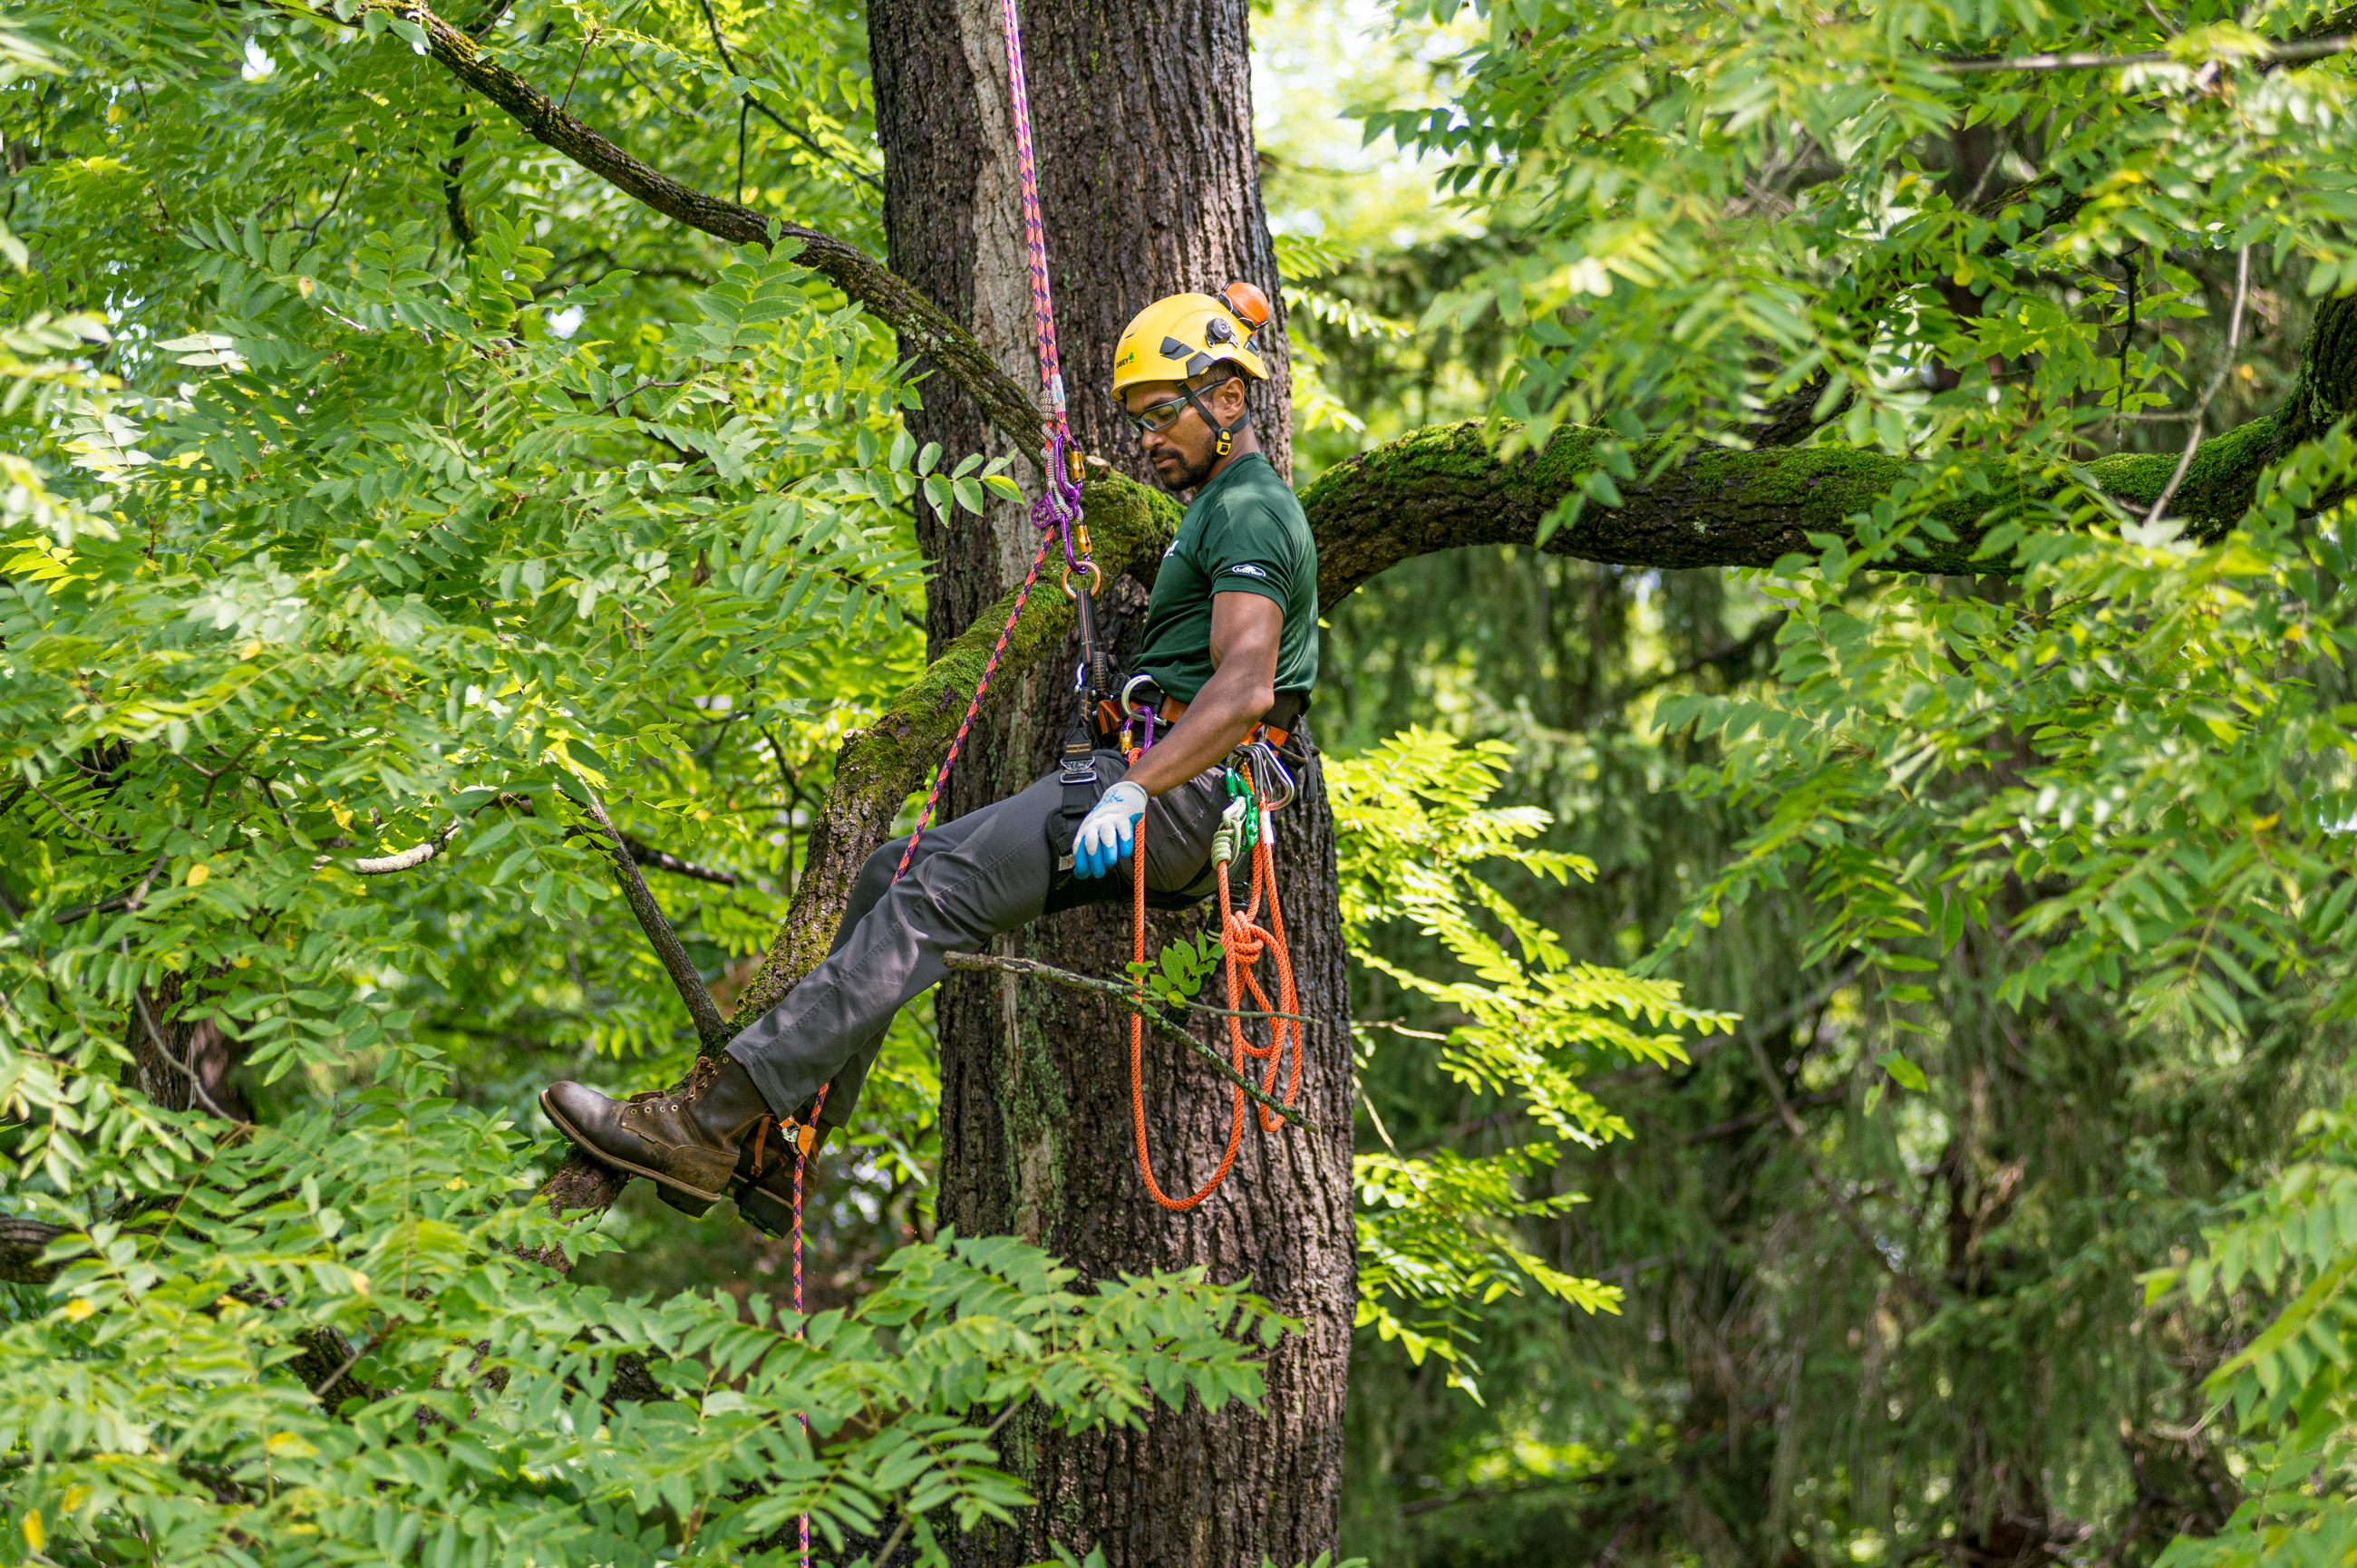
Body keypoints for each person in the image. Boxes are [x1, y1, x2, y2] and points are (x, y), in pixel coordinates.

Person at [538, 286, 1319, 1230]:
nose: (1150, 439)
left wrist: (1135, 791)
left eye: (1162, 414)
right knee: (889, 872)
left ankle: (704, 1120)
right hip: (1158, 785)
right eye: (1138, 420)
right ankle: (780, 1146)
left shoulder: (1251, 509)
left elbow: (1244, 691)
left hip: (1173, 792)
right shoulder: (1217, 510)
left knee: (933, 891)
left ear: (1226, 399)